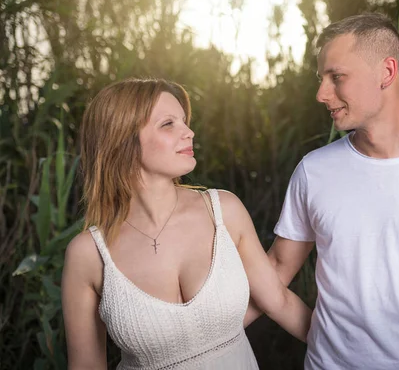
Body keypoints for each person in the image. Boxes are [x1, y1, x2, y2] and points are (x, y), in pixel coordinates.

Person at [245, 13, 399, 370]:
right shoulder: (314, 171)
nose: (321, 94)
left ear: (387, 73)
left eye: (337, 78)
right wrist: (196, 339)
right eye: (321, 80)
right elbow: (276, 270)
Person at [61, 78, 312, 369]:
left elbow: (278, 300)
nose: (189, 132)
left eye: (184, 121)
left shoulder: (224, 211)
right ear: (122, 139)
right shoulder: (87, 254)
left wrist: (348, 354)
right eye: (169, 124)